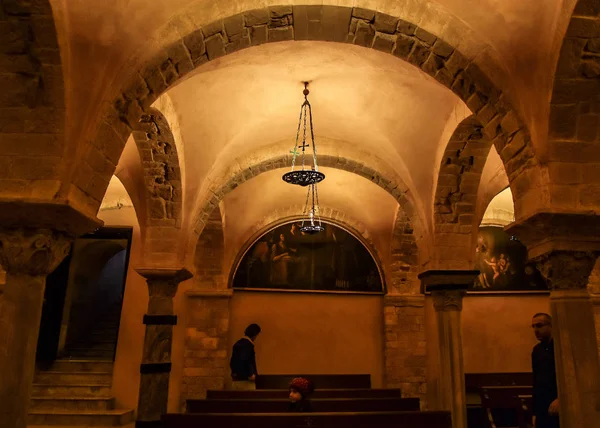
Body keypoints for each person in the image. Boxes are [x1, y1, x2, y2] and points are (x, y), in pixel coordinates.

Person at [531, 313, 560, 428]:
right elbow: (536, 381)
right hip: (542, 406)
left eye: (539, 325)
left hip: (557, 402)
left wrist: (561, 399)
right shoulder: (537, 350)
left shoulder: (559, 347)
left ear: (551, 326)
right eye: (533, 326)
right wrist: (535, 412)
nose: (535, 330)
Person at [229, 323, 261, 390]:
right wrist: (250, 374)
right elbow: (246, 360)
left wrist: (234, 372)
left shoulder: (237, 344)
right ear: (254, 334)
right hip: (246, 381)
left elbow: (232, 361)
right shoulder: (248, 345)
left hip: (236, 380)